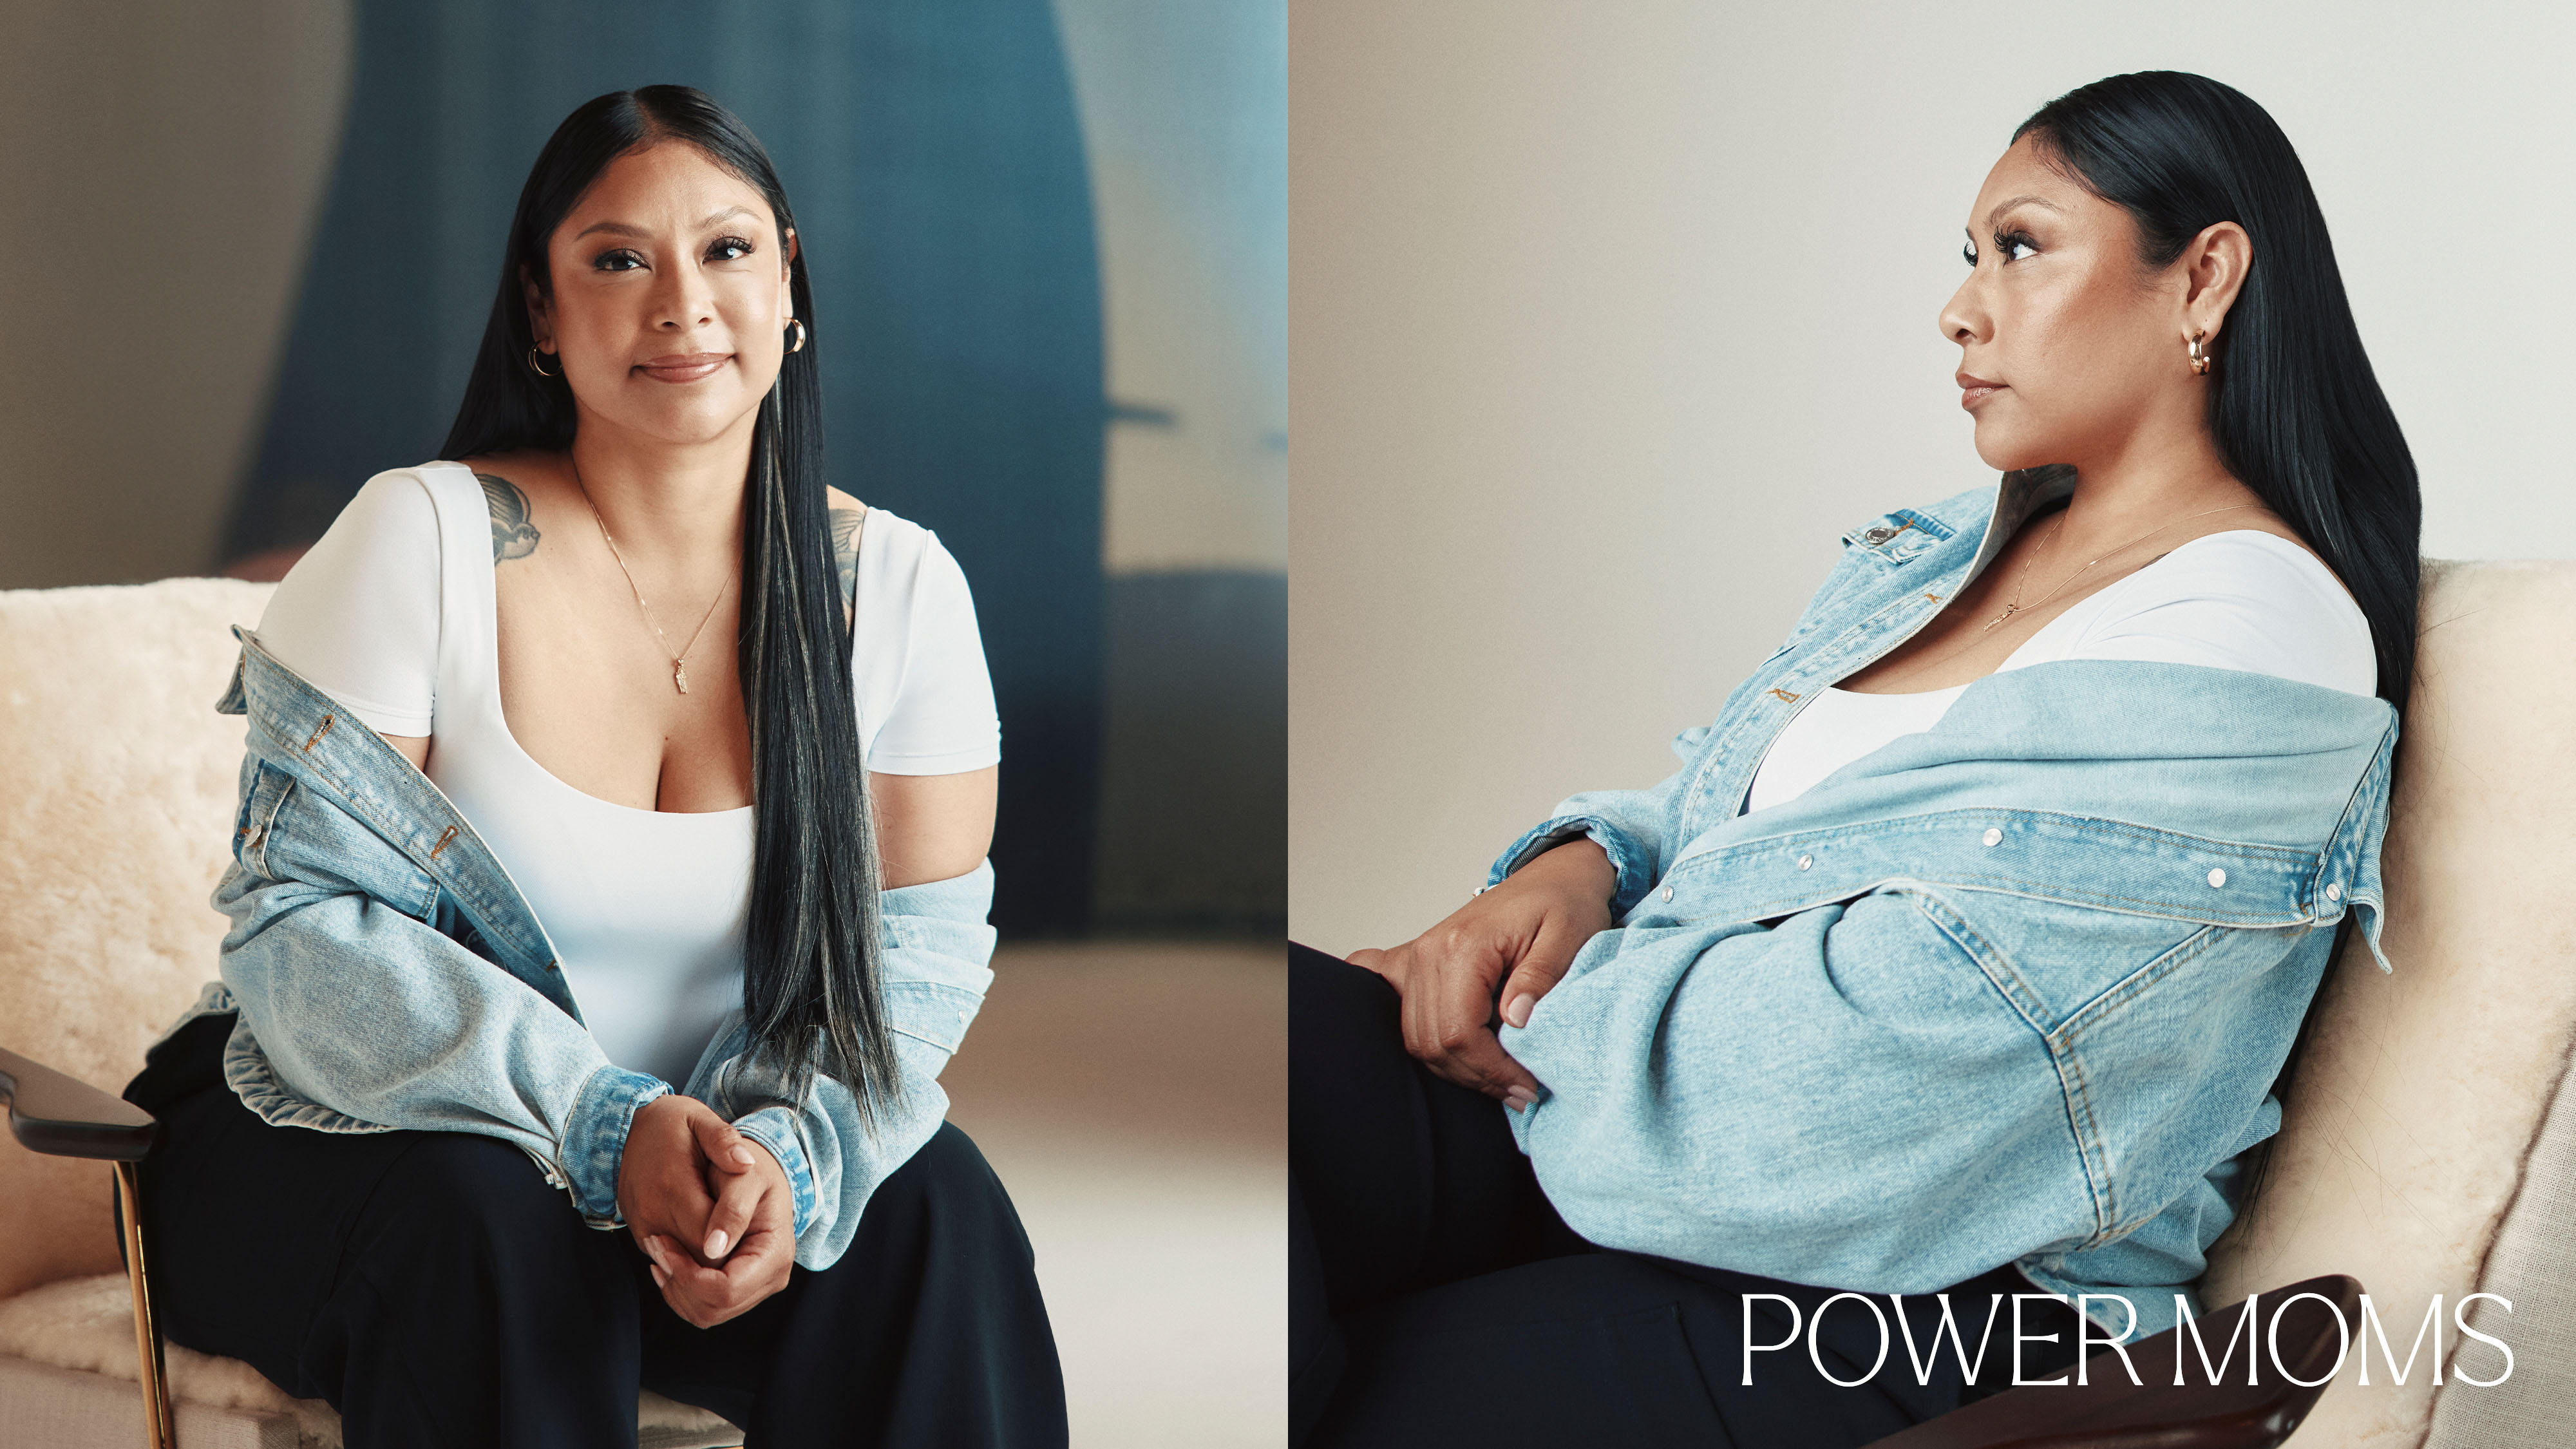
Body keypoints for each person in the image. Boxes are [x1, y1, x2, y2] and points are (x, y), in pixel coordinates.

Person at [1291, 70, 2419, 1448]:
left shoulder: (2246, 630)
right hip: (1627, 1123)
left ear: (2202, 278)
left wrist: (1527, 1011)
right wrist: (1584, 866)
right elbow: (1732, 807)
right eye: (1966, 260)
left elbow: (1881, 1072)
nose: (1958, 309)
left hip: (1913, 1284)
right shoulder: (1950, 548)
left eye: (2019, 247)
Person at [118, 86, 1068, 1448]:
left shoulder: (900, 588)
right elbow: (303, 944)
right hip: (351, 1143)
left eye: (727, 250)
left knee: (935, 1212)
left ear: (789, 284)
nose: (680, 303)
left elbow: (907, 964)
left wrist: (787, 1173)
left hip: (708, 1154)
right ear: (541, 315)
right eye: (617, 259)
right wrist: (603, 1128)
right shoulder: (417, 539)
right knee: (487, 1221)